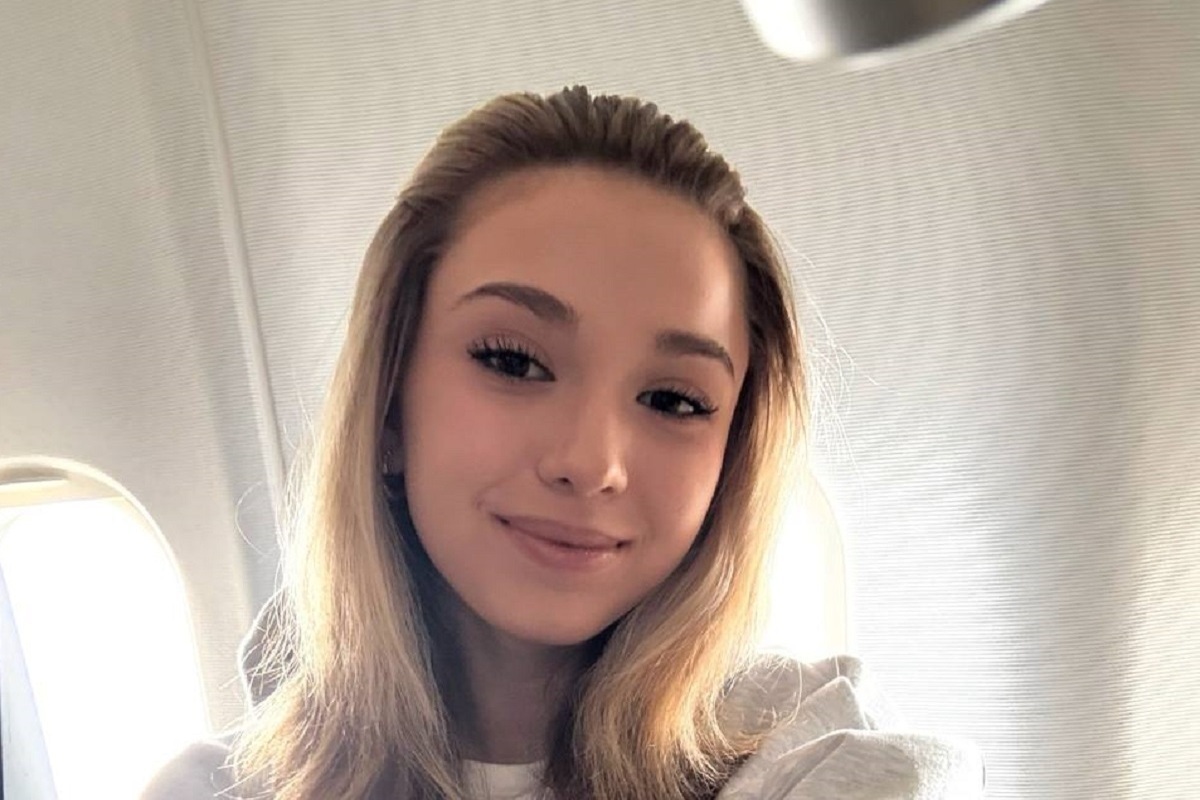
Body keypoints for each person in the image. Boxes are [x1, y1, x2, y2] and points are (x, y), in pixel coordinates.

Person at [142, 86, 983, 800]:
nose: (591, 463)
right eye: (512, 361)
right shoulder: (215, 788)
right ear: (390, 406)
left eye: (674, 400)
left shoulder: (810, 755)